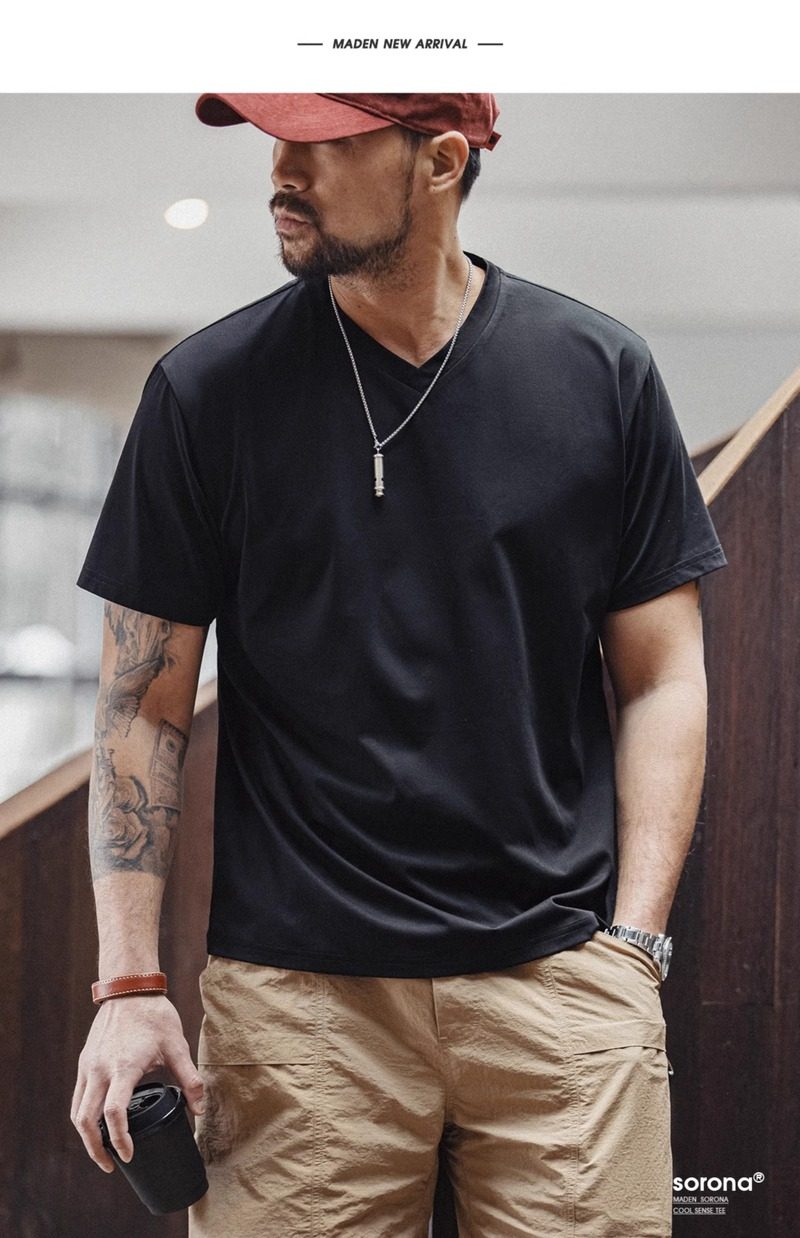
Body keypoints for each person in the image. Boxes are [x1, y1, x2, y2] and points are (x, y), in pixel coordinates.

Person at [70, 93, 728, 1237]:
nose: (281, 166)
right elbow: (142, 705)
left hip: (559, 988)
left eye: (323, 141)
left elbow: (662, 675)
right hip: (298, 1010)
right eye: (275, 136)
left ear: (440, 161)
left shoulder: (599, 373)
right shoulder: (205, 392)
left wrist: (631, 946)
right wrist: (128, 985)